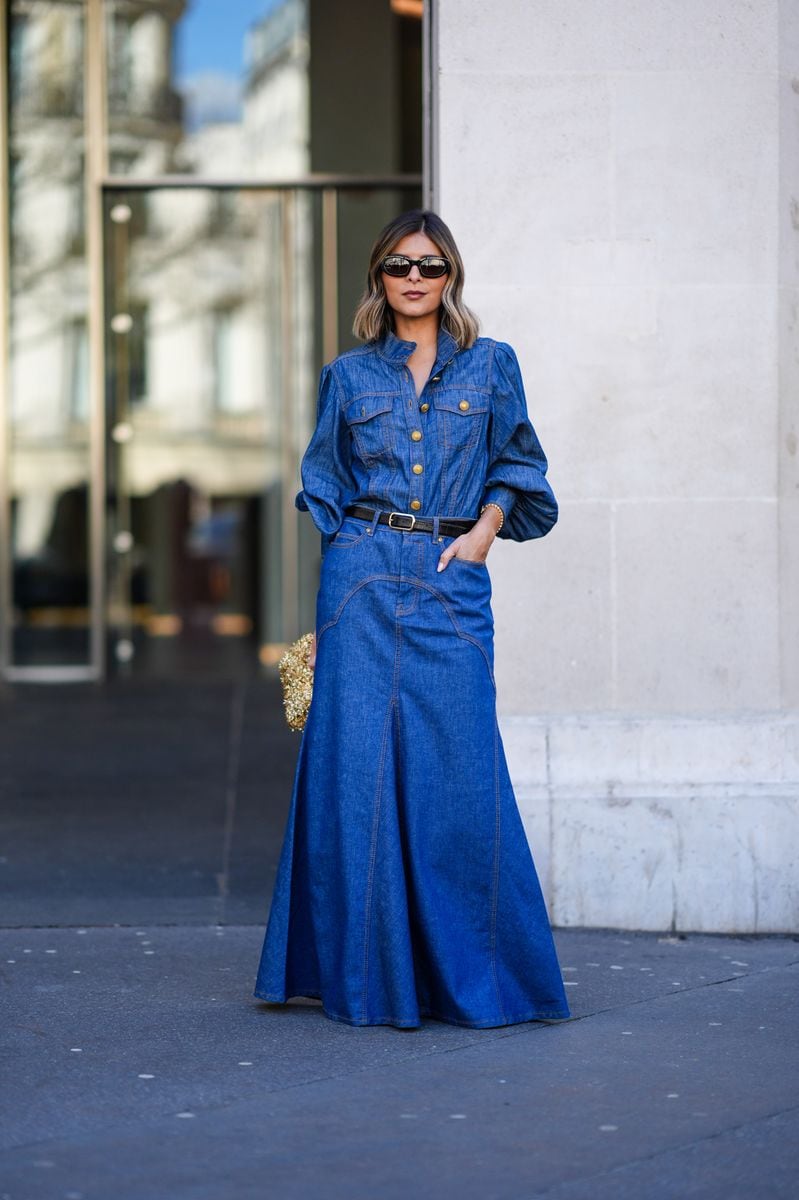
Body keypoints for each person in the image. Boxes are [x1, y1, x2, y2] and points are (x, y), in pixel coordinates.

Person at [253, 209, 571, 1029]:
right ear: (379, 277)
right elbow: (322, 476)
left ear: (450, 275)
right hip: (361, 580)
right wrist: (344, 561)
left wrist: (484, 533)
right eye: (400, 265)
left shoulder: (491, 365)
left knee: (460, 777)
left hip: (448, 579)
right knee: (353, 773)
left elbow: (519, 466)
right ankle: (366, 978)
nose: (415, 279)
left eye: (430, 266)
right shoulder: (349, 376)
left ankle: (478, 976)